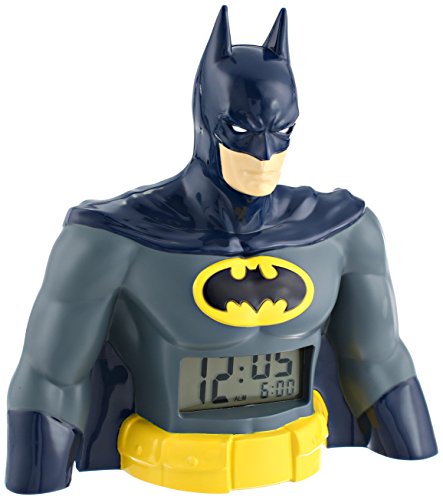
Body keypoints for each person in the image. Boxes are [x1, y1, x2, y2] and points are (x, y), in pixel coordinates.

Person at [6, 6, 437, 494]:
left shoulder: (343, 231)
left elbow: (379, 359)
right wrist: (36, 484)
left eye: (282, 132)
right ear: (205, 120)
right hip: (163, 481)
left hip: (306, 477)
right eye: (242, 132)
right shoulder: (113, 239)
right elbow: (51, 378)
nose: (264, 153)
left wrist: (417, 468)